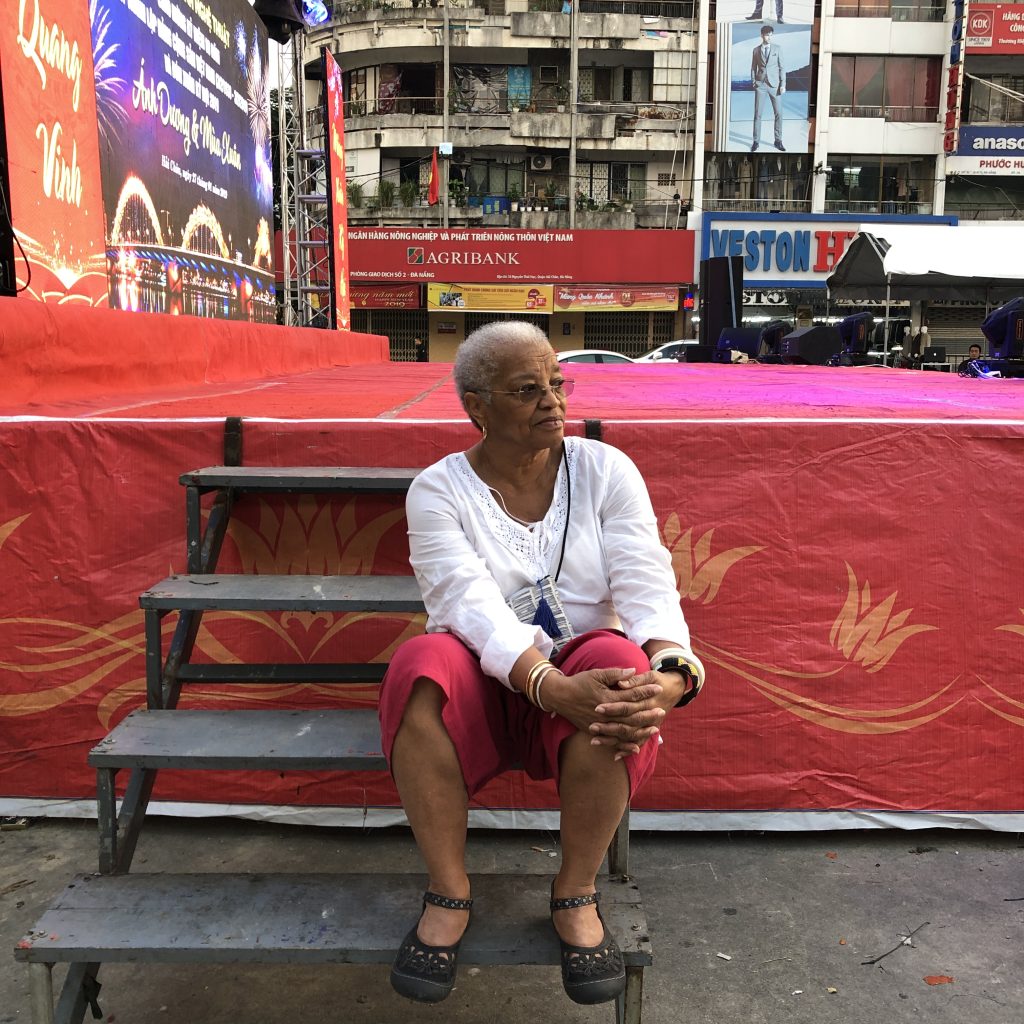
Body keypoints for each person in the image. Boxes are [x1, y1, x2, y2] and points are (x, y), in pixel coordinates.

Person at [379, 321, 705, 1006]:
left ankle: (575, 892)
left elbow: (646, 579)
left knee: (619, 663)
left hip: (586, 675)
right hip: (487, 680)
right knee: (420, 668)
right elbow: (466, 604)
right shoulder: (437, 491)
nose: (553, 402)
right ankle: (449, 891)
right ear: (476, 406)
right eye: (528, 390)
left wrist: (672, 671)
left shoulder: (606, 469)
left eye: (558, 383)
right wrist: (545, 683)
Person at [750, 25, 785, 153]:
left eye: (771, 34)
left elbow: (782, 67)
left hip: (775, 86)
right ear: (762, 35)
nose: (769, 37)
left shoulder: (778, 49)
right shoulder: (755, 50)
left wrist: (783, 84)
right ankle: (756, 141)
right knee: (757, 114)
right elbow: (753, 68)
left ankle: (778, 140)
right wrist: (754, 82)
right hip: (761, 86)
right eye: (766, 35)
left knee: (779, 114)